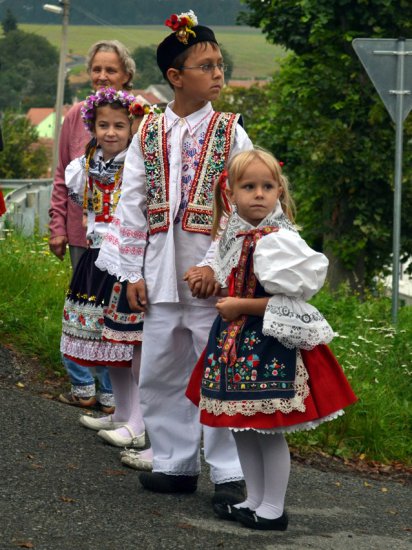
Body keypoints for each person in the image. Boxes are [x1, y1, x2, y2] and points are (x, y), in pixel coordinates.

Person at [96, 10, 253, 503]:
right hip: (160, 277)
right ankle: (174, 462)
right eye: (207, 66)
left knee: (219, 369)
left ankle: (229, 471)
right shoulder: (147, 133)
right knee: (162, 368)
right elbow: (132, 205)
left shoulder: (232, 132)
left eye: (220, 65)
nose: (218, 74)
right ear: (176, 77)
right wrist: (132, 273)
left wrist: (215, 264)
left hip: (214, 280)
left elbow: (243, 207)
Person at [186, 148, 358, 530]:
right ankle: (254, 499)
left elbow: (291, 299)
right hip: (235, 344)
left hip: (268, 344)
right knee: (242, 428)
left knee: (268, 431)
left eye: (267, 186)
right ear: (231, 193)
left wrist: (240, 305)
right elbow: (220, 269)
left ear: (279, 190)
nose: (259, 194)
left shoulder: (279, 240)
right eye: (249, 187)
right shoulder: (236, 235)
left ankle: (273, 509)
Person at [48, 40, 136, 412]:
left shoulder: (141, 114)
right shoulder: (74, 116)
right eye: (96, 69)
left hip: (125, 239)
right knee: (83, 304)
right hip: (81, 233)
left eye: (110, 70)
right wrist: (56, 225)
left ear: (126, 75)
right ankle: (82, 383)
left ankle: (112, 390)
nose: (102, 76)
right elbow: (60, 173)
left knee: (113, 311)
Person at [61, 88, 147, 451]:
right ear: (92, 127)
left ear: (132, 128)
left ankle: (139, 420)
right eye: (103, 125)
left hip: (125, 259)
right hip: (98, 257)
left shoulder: (136, 163)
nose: (111, 132)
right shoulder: (85, 164)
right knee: (106, 341)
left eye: (119, 125)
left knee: (130, 343)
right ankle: (121, 412)